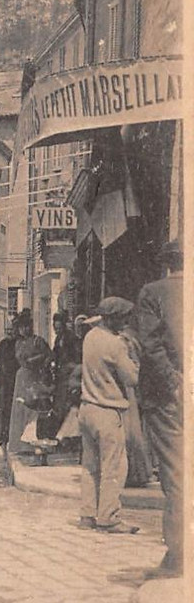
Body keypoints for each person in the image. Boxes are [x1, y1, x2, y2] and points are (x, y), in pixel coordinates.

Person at [136, 240, 184, 577]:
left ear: (166, 264)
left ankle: (178, 555)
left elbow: (150, 344)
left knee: (176, 473)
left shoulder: (153, 292)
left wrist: (173, 382)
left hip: (168, 397)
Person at [78, 297, 140, 533]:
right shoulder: (116, 344)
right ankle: (109, 517)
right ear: (113, 318)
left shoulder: (91, 336)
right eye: (123, 318)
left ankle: (87, 515)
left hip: (87, 408)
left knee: (89, 466)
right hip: (108, 411)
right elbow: (131, 378)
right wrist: (132, 353)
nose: (125, 322)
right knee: (113, 467)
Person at [7, 311, 52, 454]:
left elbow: (49, 356)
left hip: (35, 377)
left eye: (27, 326)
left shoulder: (38, 341)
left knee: (32, 409)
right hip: (21, 378)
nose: (25, 329)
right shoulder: (19, 343)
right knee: (20, 408)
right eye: (22, 327)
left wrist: (37, 362)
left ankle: (31, 443)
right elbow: (18, 359)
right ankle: (19, 444)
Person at [40, 312, 81, 440]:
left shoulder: (72, 338)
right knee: (59, 406)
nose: (56, 330)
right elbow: (55, 354)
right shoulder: (58, 339)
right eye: (55, 328)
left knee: (67, 406)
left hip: (70, 376)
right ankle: (60, 436)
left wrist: (69, 366)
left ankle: (67, 437)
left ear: (64, 326)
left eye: (59, 328)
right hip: (60, 377)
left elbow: (77, 358)